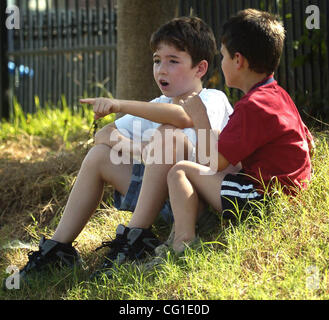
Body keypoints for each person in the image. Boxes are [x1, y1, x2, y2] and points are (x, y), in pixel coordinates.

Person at [18, 16, 235, 281]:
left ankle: (136, 236)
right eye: (157, 60)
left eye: (173, 61)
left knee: (169, 136)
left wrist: (120, 105)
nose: (161, 69)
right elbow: (104, 134)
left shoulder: (212, 98)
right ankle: (59, 248)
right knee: (99, 155)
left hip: (194, 201)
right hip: (160, 198)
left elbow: (181, 117)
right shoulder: (155, 104)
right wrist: (143, 151)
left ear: (200, 69)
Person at [160, 9, 314, 255]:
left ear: (238, 61)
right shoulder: (278, 94)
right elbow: (307, 139)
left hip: (264, 201)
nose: (220, 63)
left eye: (222, 56)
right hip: (290, 192)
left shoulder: (252, 106)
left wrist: (198, 114)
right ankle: (202, 219)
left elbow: (213, 163)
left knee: (180, 172)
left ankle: (182, 244)